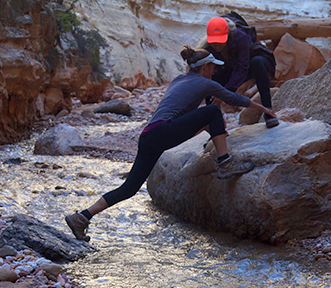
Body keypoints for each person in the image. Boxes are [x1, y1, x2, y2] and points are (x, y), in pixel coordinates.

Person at [65, 46, 276, 242]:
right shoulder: (205, 83)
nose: (214, 72)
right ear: (204, 67)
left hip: (149, 135)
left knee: (129, 188)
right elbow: (234, 99)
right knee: (212, 111)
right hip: (163, 131)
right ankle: (225, 162)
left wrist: (215, 131)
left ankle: (82, 217)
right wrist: (264, 108)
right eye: (212, 68)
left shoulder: (179, 80)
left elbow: (188, 115)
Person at [203, 14, 279, 128]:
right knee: (212, 81)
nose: (217, 45)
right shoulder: (208, 47)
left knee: (257, 62)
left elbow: (242, 67)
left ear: (227, 34)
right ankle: (214, 127)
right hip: (229, 66)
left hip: (249, 63)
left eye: (220, 41)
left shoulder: (240, 37)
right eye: (214, 42)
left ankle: (269, 112)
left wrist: (224, 94)